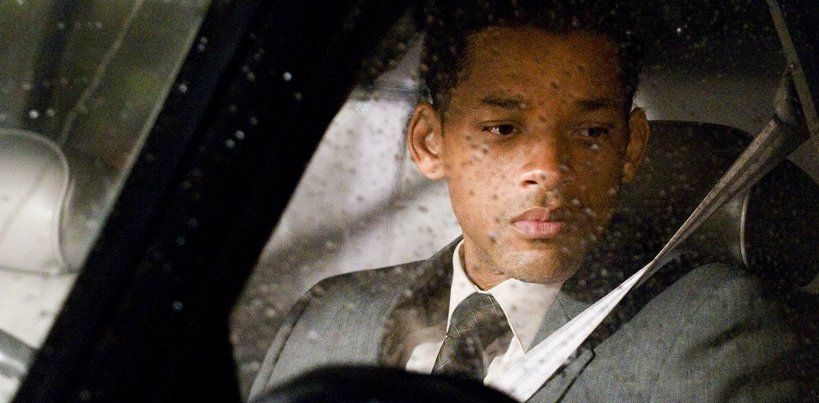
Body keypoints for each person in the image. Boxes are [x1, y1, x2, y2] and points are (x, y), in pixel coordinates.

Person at [249, 1, 809, 401]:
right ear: (429, 144)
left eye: (591, 133)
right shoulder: (327, 319)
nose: (550, 169)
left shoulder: (711, 337)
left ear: (631, 148)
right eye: (502, 129)